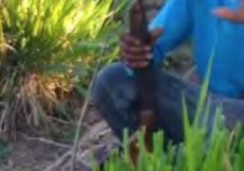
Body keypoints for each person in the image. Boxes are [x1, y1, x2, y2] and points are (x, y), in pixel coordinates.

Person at [91, 0, 244, 149]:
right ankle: (163, 157)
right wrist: (137, 51)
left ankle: (202, 153)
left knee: (229, 121)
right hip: (214, 109)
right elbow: (153, 44)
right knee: (111, 82)